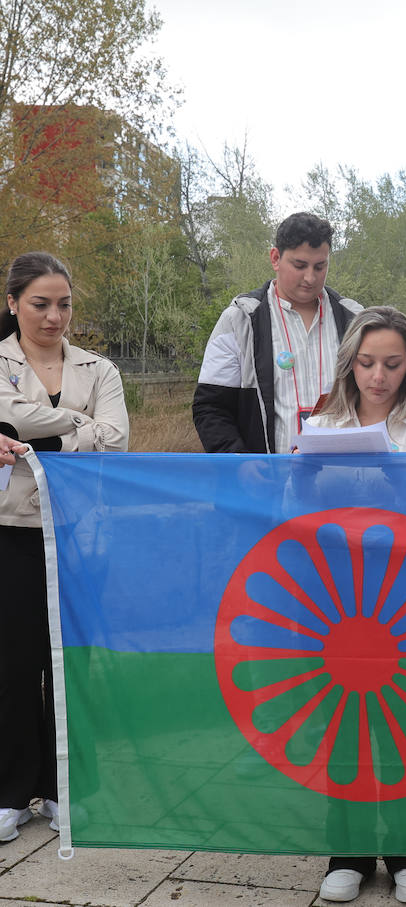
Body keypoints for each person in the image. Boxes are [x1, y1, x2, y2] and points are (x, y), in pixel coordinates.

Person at [310, 307, 406, 905]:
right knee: (342, 722)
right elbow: (295, 513)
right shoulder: (321, 425)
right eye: (367, 363)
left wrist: (399, 475)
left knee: (401, 723)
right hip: (336, 602)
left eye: (392, 364)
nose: (378, 375)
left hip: (404, 602)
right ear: (350, 363)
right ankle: (346, 850)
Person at [0, 252, 129, 842]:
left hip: (80, 533)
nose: (55, 316)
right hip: (10, 533)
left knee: (70, 663)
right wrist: (77, 425)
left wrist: (35, 435)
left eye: (64, 304)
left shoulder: (100, 368)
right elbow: (10, 412)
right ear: (12, 304)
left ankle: (64, 788)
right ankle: (9, 791)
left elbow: (116, 440)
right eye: (40, 303)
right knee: (14, 664)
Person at [193, 212, 362, 454]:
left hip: (339, 478)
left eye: (320, 266)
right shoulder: (240, 319)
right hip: (268, 484)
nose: (310, 277)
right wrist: (241, 465)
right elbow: (210, 408)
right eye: (300, 265)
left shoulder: (355, 319)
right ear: (275, 258)